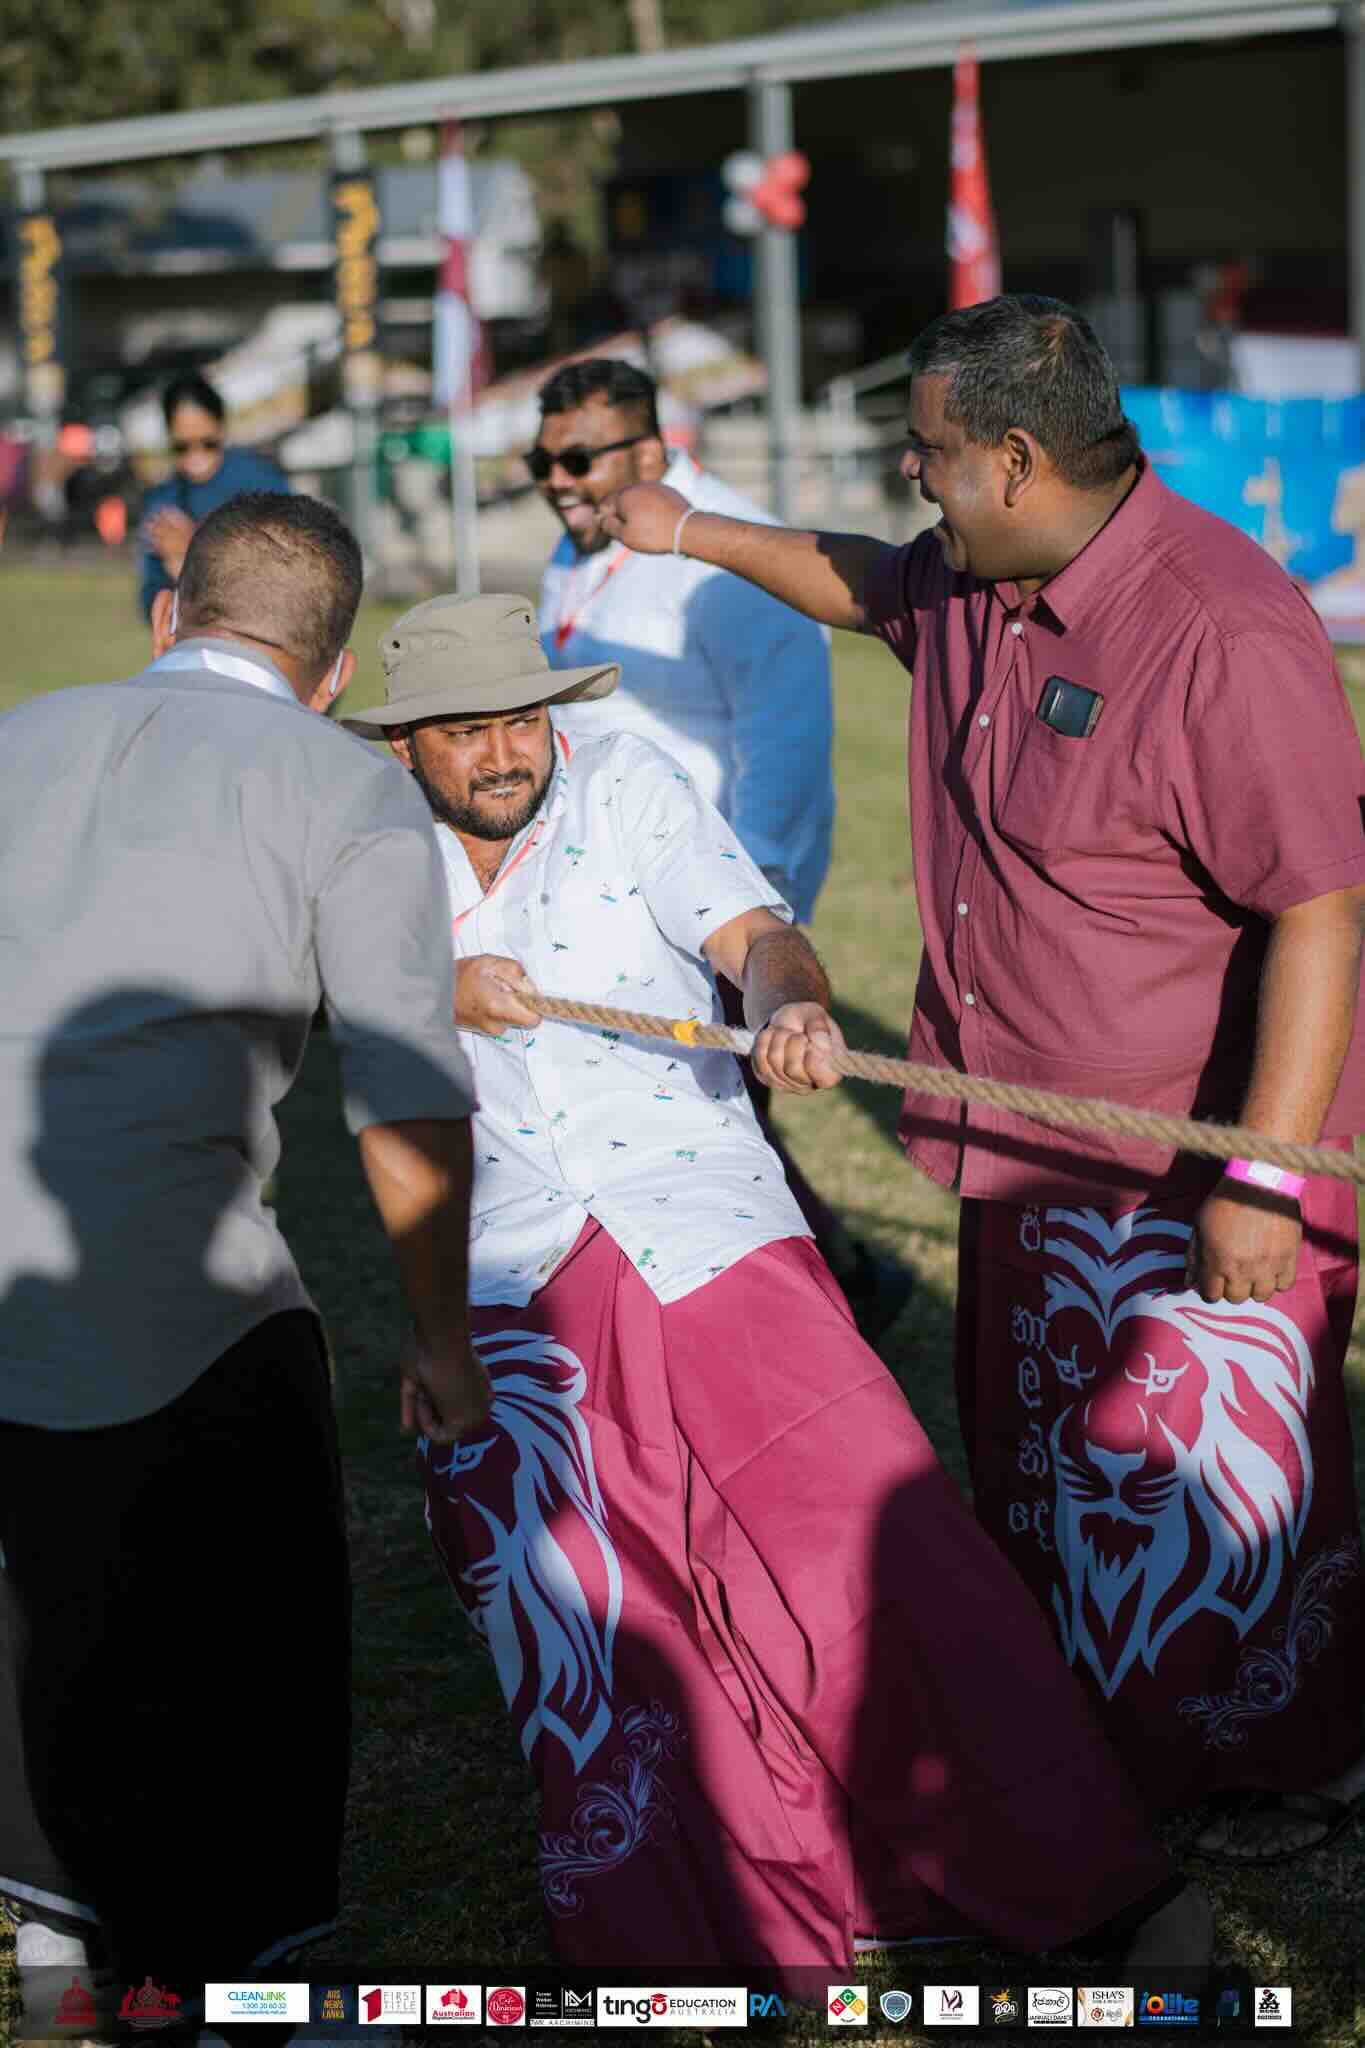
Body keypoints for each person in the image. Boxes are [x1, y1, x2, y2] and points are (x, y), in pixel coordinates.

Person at [596, 293, 1365, 1864]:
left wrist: (1267, 1175)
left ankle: (1278, 1773)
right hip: (1021, 1153)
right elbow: (855, 578)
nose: (909, 479)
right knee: (1052, 1478)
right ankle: (1105, 1745)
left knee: (1208, 1498)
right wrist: (692, 530)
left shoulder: (1221, 628)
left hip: (1195, 1173)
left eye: (928, 454)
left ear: (1015, 459)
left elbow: (1323, 908)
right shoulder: (966, 573)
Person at [345, 589, 1211, 1976]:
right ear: (403, 750)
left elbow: (752, 930)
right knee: (583, 1595)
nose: (506, 753)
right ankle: (703, 1915)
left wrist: (790, 1000)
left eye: (522, 720)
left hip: (696, 1208)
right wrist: (424, 986)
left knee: (872, 1533)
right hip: (511, 1262)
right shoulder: (363, 856)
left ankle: (1083, 1881)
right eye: (466, 734)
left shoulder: (623, 783)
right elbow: (315, 1004)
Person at [0, 492, 487, 2010]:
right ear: (333, 676)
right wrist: (440, 1333)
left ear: (168, 616)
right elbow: (402, 1089)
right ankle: (246, 1950)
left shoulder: (16, 731)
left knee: (37, 1581)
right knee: (262, 1595)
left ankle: (50, 1924)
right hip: (170, 1287)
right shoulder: (347, 789)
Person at [532, 356, 913, 1342]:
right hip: (602, 893)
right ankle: (848, 1281)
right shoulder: (575, 546)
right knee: (686, 1114)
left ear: (652, 449)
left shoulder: (728, 552)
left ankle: (803, 1316)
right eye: (543, 460)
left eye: (578, 457)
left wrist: (756, 924)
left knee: (712, 1127)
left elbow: (785, 740)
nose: (557, 479)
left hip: (709, 899)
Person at [137, 370, 289, 620]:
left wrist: (192, 553)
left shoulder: (260, 483)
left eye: (208, 443)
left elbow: (284, 574)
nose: (196, 455)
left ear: (221, 430)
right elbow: (150, 603)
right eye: (182, 446)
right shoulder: (163, 501)